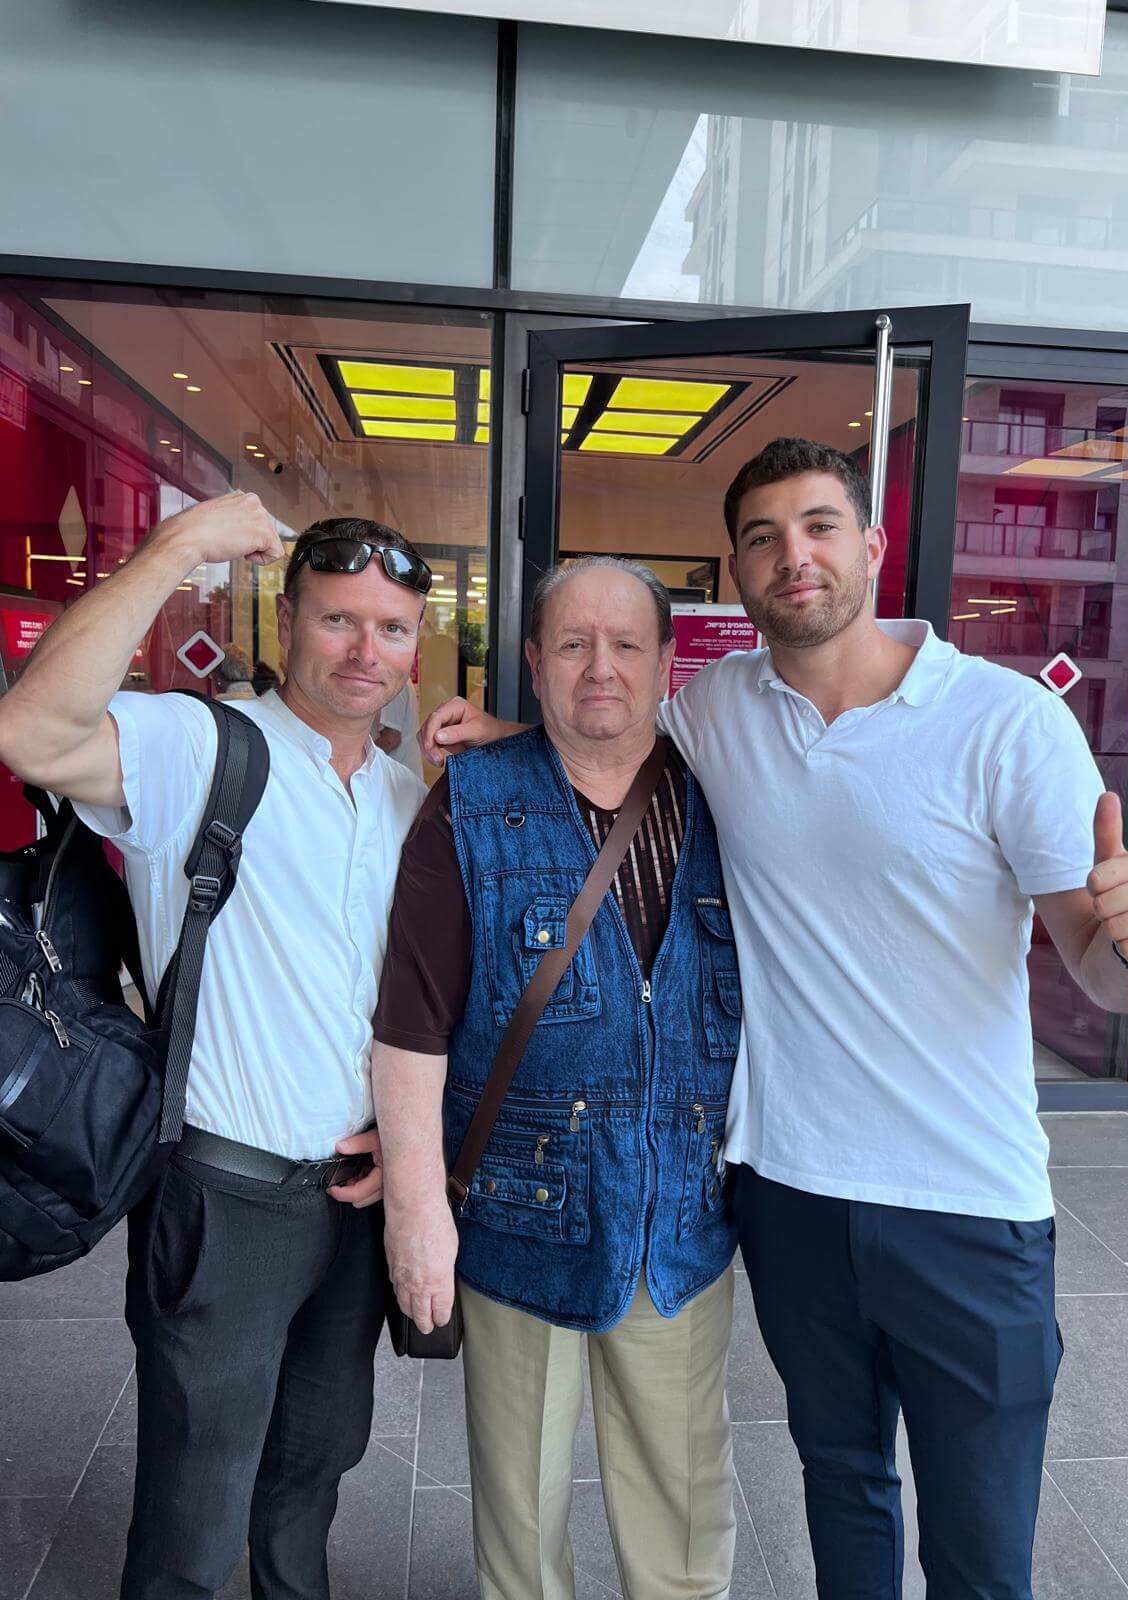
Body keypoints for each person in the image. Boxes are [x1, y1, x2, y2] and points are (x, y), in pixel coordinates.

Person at [420, 439, 1128, 1600]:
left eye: (821, 525)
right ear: (736, 571)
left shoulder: (1004, 722)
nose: (796, 555)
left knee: (982, 1546)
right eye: (764, 537)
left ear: (872, 545)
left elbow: (1103, 964)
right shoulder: (719, 710)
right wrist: (499, 741)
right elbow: (602, 732)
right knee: (843, 1489)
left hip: (967, 1204)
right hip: (789, 1192)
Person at [0, 500, 433, 1600]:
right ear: (285, 622)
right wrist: (177, 547)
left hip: (356, 1200)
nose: (365, 650)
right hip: (224, 1199)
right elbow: (30, 733)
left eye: (390, 628)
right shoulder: (205, 747)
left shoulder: (406, 796)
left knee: (312, 1475)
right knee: (197, 1511)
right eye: (337, 619)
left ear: (416, 646)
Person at [373, 556, 740, 1600]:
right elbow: (412, 1022)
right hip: (518, 1216)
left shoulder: (726, 800)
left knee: (683, 1526)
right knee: (520, 1525)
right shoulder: (472, 802)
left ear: (667, 663)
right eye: (574, 644)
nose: (601, 668)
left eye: (626, 644)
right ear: (534, 663)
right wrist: (417, 1210)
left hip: (679, 1222)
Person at [375, 676, 423, 777]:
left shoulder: (395, 682)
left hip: (397, 774)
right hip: (397, 773)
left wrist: (356, 758)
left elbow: (391, 740)